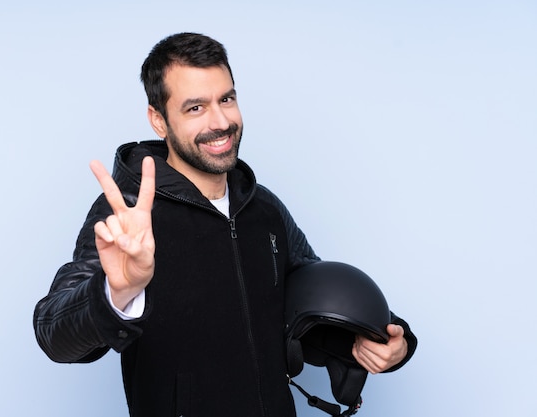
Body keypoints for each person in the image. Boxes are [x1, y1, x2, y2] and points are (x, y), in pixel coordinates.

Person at [34, 32, 417, 417]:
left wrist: (383, 337)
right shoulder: (127, 213)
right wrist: (116, 294)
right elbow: (53, 333)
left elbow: (310, 297)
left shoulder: (263, 207)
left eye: (226, 99)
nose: (221, 122)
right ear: (159, 120)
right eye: (195, 108)